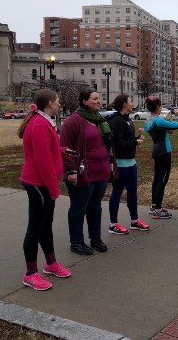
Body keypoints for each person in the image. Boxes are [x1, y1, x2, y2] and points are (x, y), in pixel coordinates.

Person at [18, 89, 71, 291]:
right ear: (49, 103)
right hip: (38, 184)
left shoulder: (43, 121)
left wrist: (63, 151)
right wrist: (53, 188)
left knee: (45, 225)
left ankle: (51, 263)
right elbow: (43, 161)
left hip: (44, 183)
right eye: (58, 101)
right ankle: (30, 273)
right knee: (35, 228)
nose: (60, 104)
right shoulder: (39, 124)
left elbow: (49, 150)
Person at [60, 90, 115, 256]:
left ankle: (95, 238)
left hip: (101, 171)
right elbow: (65, 148)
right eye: (95, 99)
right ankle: (76, 242)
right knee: (79, 207)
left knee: (95, 207)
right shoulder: (74, 121)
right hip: (83, 172)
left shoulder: (100, 120)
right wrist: (71, 170)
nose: (99, 101)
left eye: (99, 99)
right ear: (84, 101)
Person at [107, 94, 149, 234]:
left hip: (131, 162)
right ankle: (113, 224)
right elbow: (117, 143)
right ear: (124, 104)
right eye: (130, 101)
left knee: (132, 192)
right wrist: (135, 142)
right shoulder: (116, 121)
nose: (132, 104)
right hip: (120, 163)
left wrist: (136, 139)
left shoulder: (128, 120)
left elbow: (127, 140)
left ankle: (134, 221)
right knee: (117, 192)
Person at [143, 96, 178, 219]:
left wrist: (167, 121)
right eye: (161, 106)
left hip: (156, 150)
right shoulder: (158, 121)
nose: (162, 108)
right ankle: (158, 210)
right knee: (163, 179)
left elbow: (166, 130)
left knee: (157, 178)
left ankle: (154, 205)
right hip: (164, 152)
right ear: (157, 107)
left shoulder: (149, 120)